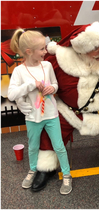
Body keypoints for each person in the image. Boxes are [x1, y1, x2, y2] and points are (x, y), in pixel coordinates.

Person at [15, 21, 99, 191]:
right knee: (48, 130)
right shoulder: (58, 60)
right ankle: (46, 167)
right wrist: (24, 99)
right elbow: (36, 76)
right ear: (80, 49)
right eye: (96, 47)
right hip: (72, 113)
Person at [8, 29, 72, 195]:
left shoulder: (47, 65)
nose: (46, 51)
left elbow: (56, 84)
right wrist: (30, 85)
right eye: (42, 49)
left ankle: (66, 174)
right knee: (33, 146)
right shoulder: (19, 71)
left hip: (51, 114)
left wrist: (53, 88)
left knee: (59, 146)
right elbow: (11, 94)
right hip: (32, 117)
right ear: (29, 52)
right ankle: (32, 170)